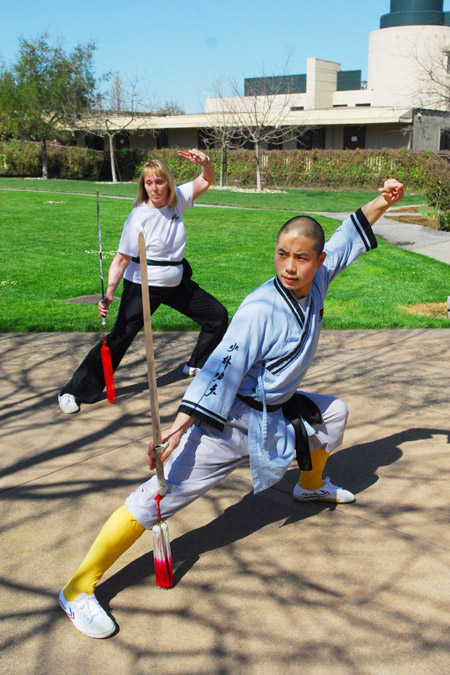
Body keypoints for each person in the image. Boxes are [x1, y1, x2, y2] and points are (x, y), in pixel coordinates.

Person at [58, 179, 404, 638]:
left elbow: (346, 237)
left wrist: (384, 199)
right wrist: (178, 429)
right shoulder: (261, 309)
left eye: (301, 257)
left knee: (333, 413)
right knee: (156, 500)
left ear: (318, 262)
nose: (290, 266)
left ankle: (310, 485)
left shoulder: (320, 276)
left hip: (277, 410)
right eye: (282, 253)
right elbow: (220, 369)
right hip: (230, 420)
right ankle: (78, 589)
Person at [58, 149, 228, 414]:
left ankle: (196, 363)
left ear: (168, 183)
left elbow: (205, 180)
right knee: (118, 339)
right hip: (143, 285)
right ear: (143, 186)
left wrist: (205, 162)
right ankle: (72, 391)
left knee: (217, 316)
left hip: (176, 282)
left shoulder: (178, 200)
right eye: (148, 183)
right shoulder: (138, 217)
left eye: (159, 182)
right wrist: (110, 292)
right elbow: (121, 258)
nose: (154, 188)